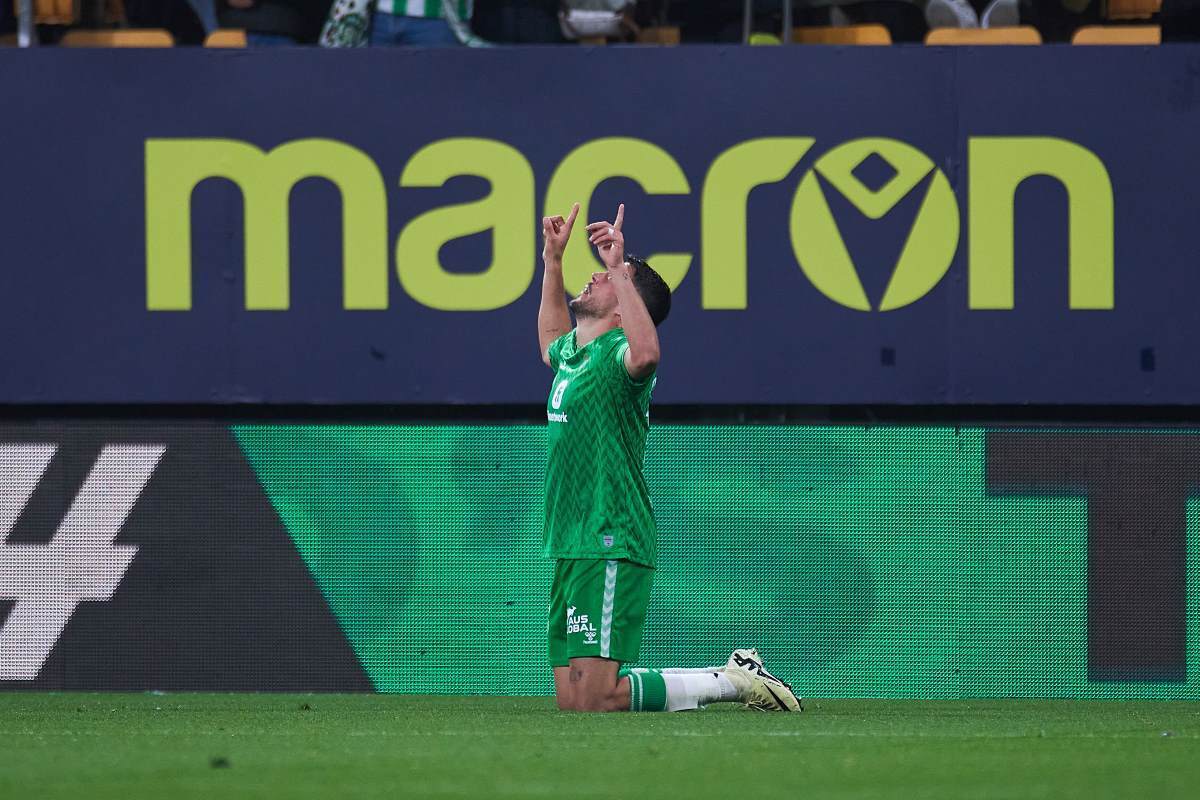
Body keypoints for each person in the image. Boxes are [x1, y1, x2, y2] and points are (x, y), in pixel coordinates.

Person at [537, 202, 802, 713]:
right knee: (575, 700)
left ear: (625, 306)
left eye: (609, 276)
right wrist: (553, 262)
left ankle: (731, 680)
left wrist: (619, 267)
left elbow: (648, 354)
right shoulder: (577, 355)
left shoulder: (621, 359)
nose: (593, 274)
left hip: (608, 533)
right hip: (569, 539)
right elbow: (549, 342)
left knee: (598, 697)